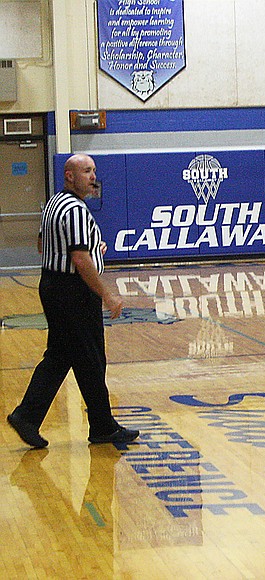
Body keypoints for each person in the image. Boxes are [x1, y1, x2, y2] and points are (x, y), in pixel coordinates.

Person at [6, 154, 140, 449]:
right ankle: (34, 416)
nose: (93, 177)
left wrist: (92, 247)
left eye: (94, 171)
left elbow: (43, 245)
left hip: (52, 285)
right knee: (89, 356)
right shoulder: (76, 210)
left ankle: (38, 417)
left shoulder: (54, 204)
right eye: (86, 171)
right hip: (73, 292)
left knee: (65, 355)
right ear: (70, 176)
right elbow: (79, 259)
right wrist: (107, 294)